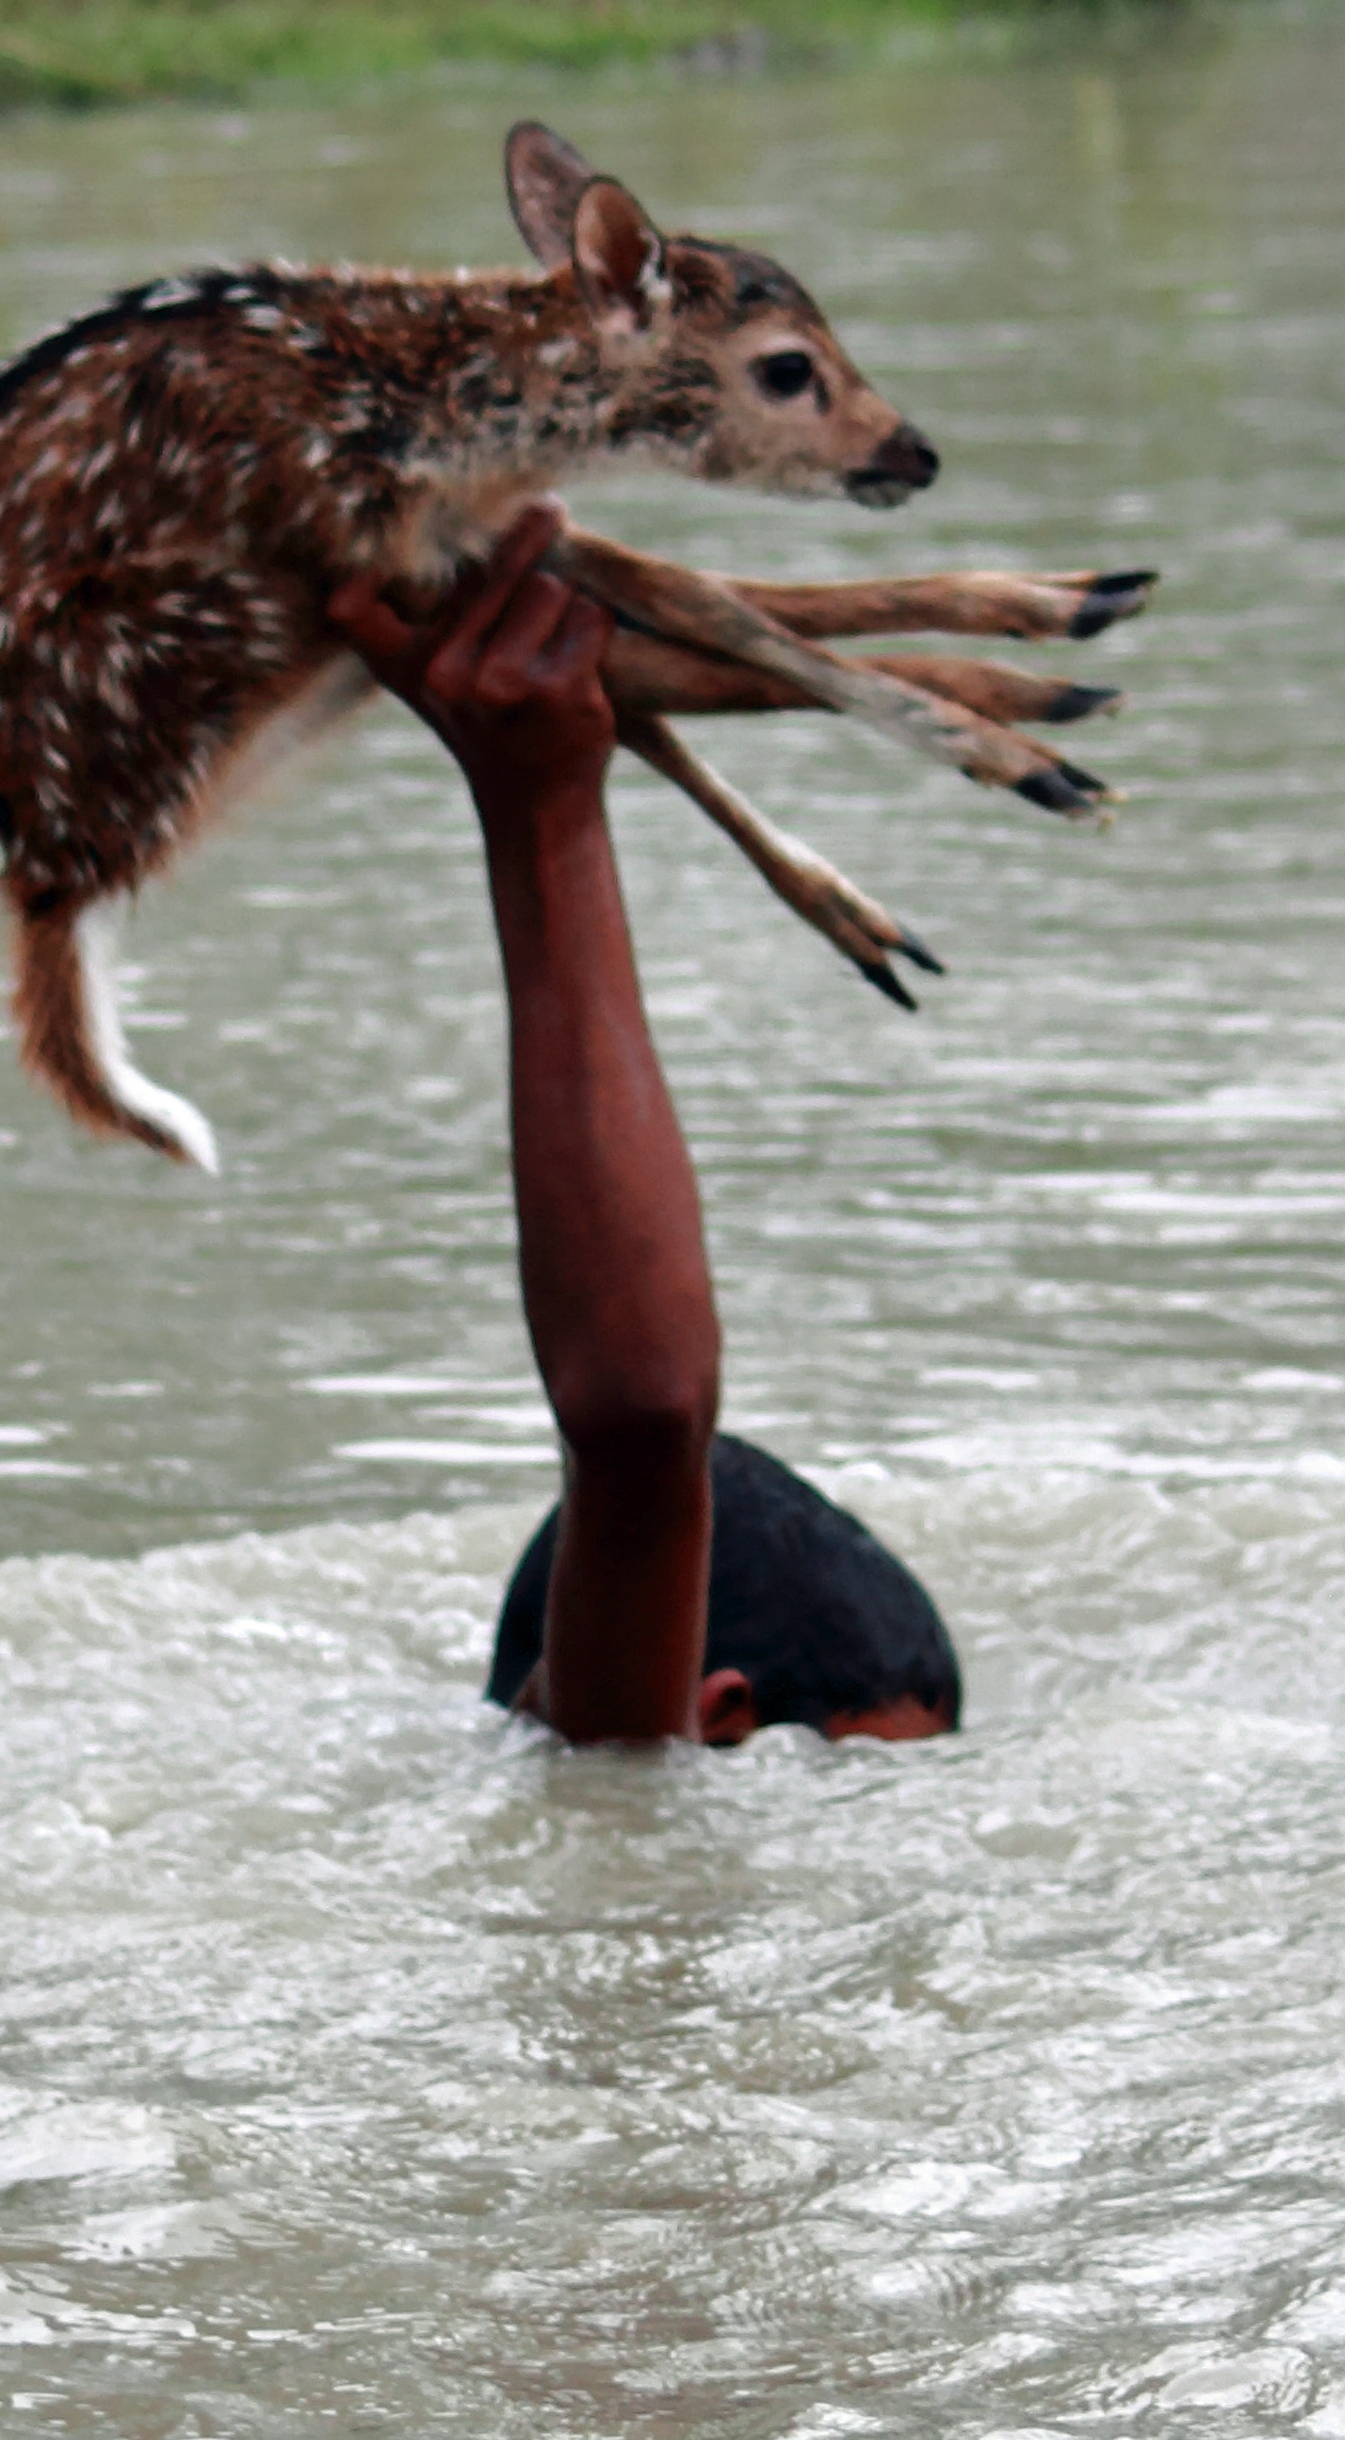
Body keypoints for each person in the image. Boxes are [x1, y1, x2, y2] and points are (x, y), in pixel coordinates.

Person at [331, 505, 960, 1748]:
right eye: (864, 1785)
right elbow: (642, 1422)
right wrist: (544, 810)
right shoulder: (625, 1772)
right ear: (718, 1717)